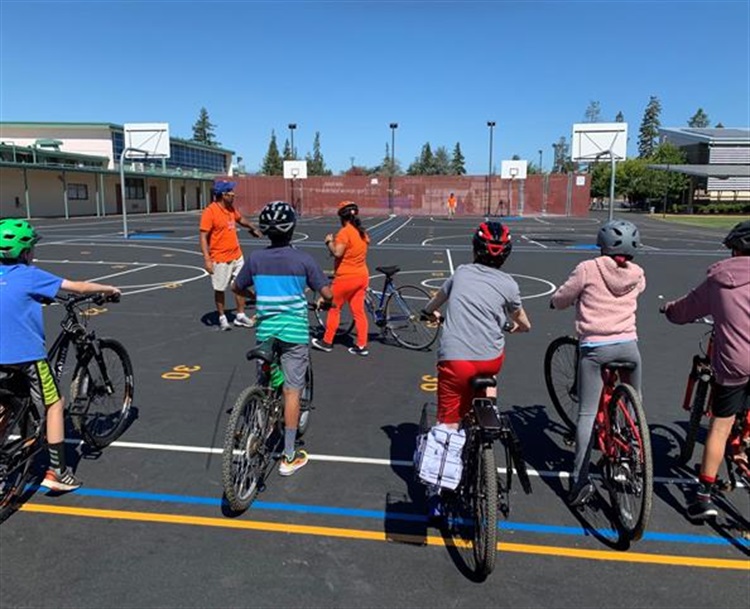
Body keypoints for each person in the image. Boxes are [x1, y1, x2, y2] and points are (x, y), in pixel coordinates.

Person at [0, 218, 121, 491]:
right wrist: (109, 289)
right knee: (56, 404)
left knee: (5, 404)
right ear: (25, 252)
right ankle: (57, 473)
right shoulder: (30, 275)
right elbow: (77, 287)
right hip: (26, 357)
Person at [420, 222, 531, 516]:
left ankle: (438, 491)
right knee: (486, 379)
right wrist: (511, 326)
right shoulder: (509, 285)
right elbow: (524, 323)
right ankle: (487, 415)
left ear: (474, 249)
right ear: (505, 255)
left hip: (455, 361)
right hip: (489, 361)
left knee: (447, 422)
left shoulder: (461, 274)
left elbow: (435, 303)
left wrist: (429, 312)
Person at [232, 201, 333, 476]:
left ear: (265, 231)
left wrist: (256, 299)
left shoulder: (255, 260)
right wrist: (324, 300)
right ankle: (288, 455)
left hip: (265, 331)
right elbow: (328, 294)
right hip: (294, 332)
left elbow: (237, 286)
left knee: (265, 380)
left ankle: (258, 422)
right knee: (292, 391)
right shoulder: (304, 260)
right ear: (292, 230)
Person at [550, 219, 646, 506]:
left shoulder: (588, 269)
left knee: (587, 414)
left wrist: (555, 302)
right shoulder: (638, 274)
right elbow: (638, 290)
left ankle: (580, 481)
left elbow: (564, 297)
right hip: (629, 348)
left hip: (595, 348)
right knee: (635, 404)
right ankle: (635, 457)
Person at [662, 220, 750, 521]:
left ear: (734, 250)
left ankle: (703, 498)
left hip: (735, 363)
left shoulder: (719, 279)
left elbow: (687, 309)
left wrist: (670, 310)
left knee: (720, 428)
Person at [199, 180, 263, 331]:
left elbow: (241, 220)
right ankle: (222, 318)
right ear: (223, 195)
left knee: (239, 285)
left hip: (236, 255)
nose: (233, 194)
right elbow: (203, 237)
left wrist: (253, 228)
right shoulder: (210, 212)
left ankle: (240, 316)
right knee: (220, 289)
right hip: (220, 258)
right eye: (230, 192)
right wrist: (207, 259)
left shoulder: (230, 209)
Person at [311, 201, 370, 356]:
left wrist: (329, 242)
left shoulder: (345, 232)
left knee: (334, 308)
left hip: (346, 277)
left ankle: (327, 341)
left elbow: (338, 253)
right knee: (358, 312)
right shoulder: (362, 233)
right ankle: (361, 345)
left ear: (341, 216)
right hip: (362, 275)